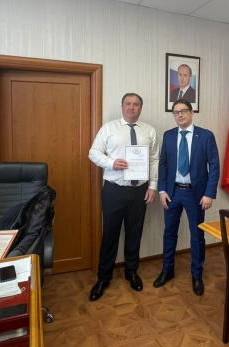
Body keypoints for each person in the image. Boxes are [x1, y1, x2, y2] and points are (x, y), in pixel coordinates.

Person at [87, 93, 159, 301]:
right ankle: (103, 278)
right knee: (110, 234)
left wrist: (153, 186)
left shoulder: (149, 131)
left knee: (135, 233)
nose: (131, 107)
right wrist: (111, 163)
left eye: (136, 104)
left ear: (140, 108)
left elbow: (154, 159)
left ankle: (131, 272)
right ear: (122, 106)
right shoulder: (109, 128)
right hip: (114, 190)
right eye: (128, 103)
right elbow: (93, 152)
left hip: (139, 191)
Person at [154, 99, 219, 296]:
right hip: (172, 193)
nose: (179, 115)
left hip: (196, 194)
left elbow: (214, 165)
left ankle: (197, 275)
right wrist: (162, 190)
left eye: (183, 111)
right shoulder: (168, 135)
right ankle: (167, 270)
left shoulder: (206, 136)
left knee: (197, 235)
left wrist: (209, 193)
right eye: (176, 112)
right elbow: (163, 164)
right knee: (169, 232)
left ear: (192, 113)